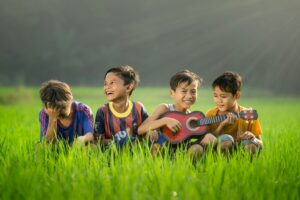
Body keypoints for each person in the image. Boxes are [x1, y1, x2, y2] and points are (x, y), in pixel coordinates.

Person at [138, 70, 216, 157]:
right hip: (162, 148)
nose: (189, 96)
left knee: (207, 141)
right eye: (184, 91)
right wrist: (165, 121)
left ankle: (189, 166)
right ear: (172, 93)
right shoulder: (165, 108)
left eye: (193, 91)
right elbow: (140, 129)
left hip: (181, 150)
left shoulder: (192, 117)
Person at [206, 71, 263, 154]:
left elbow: (261, 145)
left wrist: (253, 139)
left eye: (223, 96)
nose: (218, 100)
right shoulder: (210, 114)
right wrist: (222, 125)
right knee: (226, 142)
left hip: (241, 150)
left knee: (251, 146)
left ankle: (247, 166)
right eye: (215, 96)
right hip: (219, 152)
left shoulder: (247, 114)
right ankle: (223, 165)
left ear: (237, 95)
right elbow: (206, 142)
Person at [94, 65, 148, 149]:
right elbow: (98, 140)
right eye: (105, 84)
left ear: (128, 87)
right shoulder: (102, 111)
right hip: (112, 157)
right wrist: (118, 142)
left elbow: (147, 134)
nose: (107, 87)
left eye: (112, 83)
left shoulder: (139, 108)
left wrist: (152, 133)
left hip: (137, 156)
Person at [39, 80, 94, 146]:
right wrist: (52, 119)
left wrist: (83, 139)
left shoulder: (83, 110)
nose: (57, 111)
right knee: (39, 147)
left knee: (91, 147)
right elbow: (46, 144)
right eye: (53, 107)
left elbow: (91, 134)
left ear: (70, 99)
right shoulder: (44, 114)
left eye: (62, 107)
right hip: (56, 149)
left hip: (78, 147)